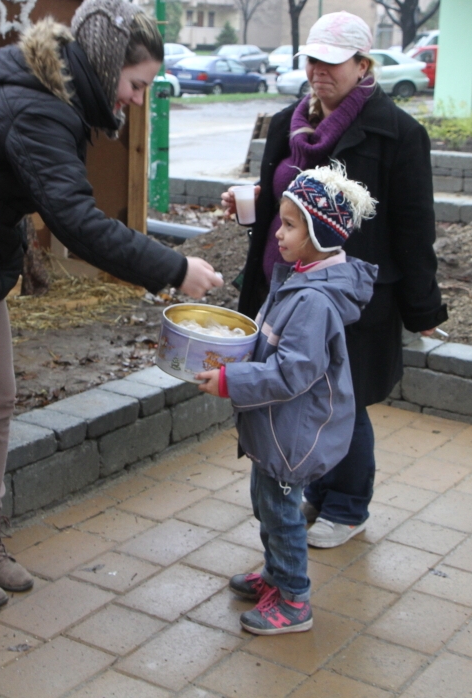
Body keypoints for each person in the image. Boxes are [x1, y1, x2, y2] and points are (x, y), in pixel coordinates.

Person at [0, 0, 223, 609]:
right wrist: (173, 268)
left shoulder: (55, 101)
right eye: (136, 85)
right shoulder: (41, 109)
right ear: (107, 64)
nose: (136, 100)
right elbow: (78, 223)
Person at [223, 12, 447, 549]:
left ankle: (348, 507)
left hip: (350, 298)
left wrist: (423, 309)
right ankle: (320, 493)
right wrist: (251, 208)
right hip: (286, 286)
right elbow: (285, 201)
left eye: (332, 61)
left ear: (363, 65)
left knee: (344, 400)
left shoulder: (399, 134)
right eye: (312, 60)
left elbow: (414, 228)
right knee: (303, 396)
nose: (318, 71)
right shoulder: (288, 123)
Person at [199, 165, 378, 634]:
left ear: (320, 234)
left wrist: (231, 380)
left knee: (281, 512)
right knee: (267, 504)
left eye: (290, 225)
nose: (278, 233)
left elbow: (292, 371)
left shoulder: (314, 301)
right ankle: (276, 573)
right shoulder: (299, 279)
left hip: (290, 435)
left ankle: (295, 599)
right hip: (275, 427)